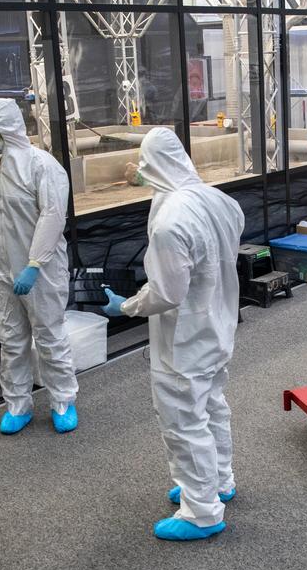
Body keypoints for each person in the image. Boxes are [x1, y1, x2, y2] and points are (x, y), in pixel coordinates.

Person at [100, 128, 244, 541]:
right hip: (217, 325)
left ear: (153, 166)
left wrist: (124, 306)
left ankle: (201, 511)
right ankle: (218, 481)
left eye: (142, 166)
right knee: (213, 405)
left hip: (184, 341)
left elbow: (166, 292)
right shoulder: (221, 201)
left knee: (184, 420)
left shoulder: (170, 222)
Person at [0, 98, 79, 435]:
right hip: (3, 273)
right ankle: (18, 403)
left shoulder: (42, 165)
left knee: (49, 337)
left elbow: (52, 217)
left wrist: (34, 264)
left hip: (40, 273)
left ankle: (63, 400)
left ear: (5, 129)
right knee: (11, 340)